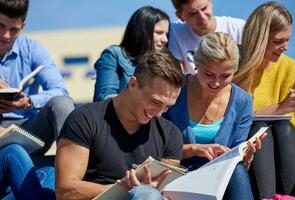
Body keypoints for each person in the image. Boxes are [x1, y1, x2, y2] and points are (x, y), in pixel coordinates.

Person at [55, 50, 184, 199]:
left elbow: (169, 195)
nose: (159, 113)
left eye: (168, 106)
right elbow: (65, 191)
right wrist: (127, 189)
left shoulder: (170, 134)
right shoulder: (84, 119)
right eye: (155, 102)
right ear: (133, 84)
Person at [164, 32, 264, 199]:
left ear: (235, 70)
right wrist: (195, 150)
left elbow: (233, 159)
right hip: (177, 172)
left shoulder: (243, 101)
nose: (216, 83)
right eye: (208, 74)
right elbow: (156, 149)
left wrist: (246, 158)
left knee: (237, 170)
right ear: (196, 64)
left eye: (225, 76)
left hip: (219, 179)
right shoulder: (175, 89)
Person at [234, 2, 295, 199]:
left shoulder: (293, 69)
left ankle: (286, 197)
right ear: (259, 38)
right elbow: (234, 119)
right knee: (259, 130)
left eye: (288, 40)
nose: (285, 47)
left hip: (286, 145)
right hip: (246, 146)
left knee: (284, 129)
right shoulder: (233, 64)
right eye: (278, 41)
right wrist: (281, 107)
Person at [0, 0, 74, 154]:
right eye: (0, 26)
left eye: (14, 29)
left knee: (62, 103)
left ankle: (71, 168)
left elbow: (60, 91)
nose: (6, 35)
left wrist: (28, 101)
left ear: (23, 27)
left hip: (28, 130)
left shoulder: (33, 49)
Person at [93, 6, 170, 102]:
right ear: (142, 31)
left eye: (166, 34)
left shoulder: (165, 63)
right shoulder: (114, 55)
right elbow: (105, 99)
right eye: (159, 32)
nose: (165, 40)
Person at [168, 0, 245, 73]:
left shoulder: (239, 28)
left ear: (210, 2)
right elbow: (176, 74)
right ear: (180, 16)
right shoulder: (174, 31)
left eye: (204, 8)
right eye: (193, 13)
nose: (202, 17)